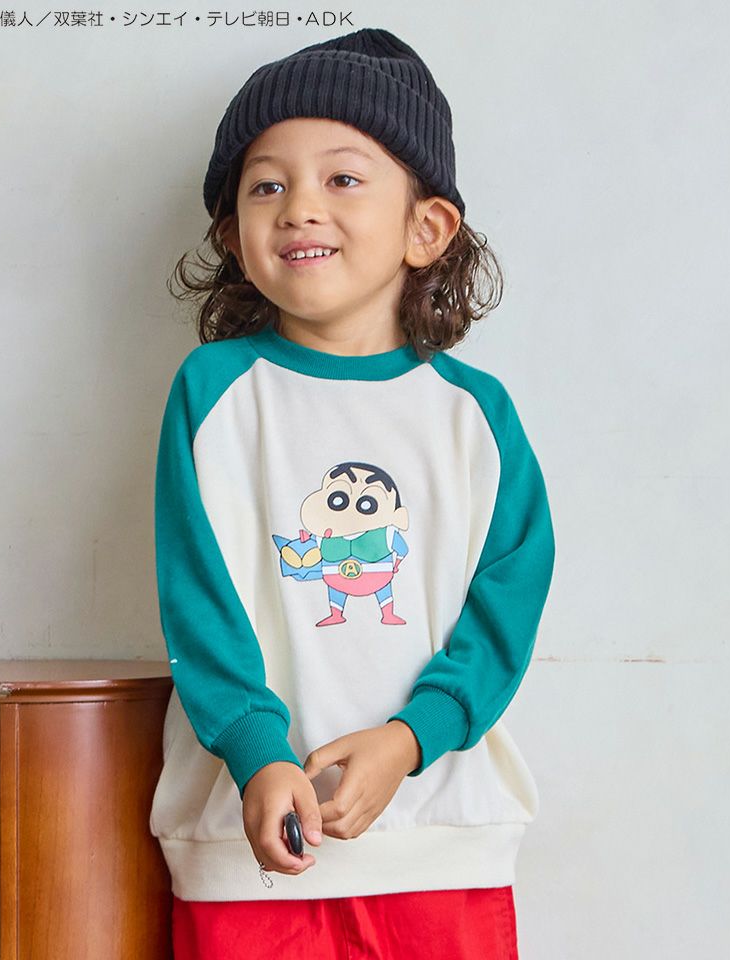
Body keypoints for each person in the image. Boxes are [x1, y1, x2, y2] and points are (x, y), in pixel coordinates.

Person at [149, 26, 556, 960]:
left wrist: (411, 738)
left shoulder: (475, 415)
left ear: (427, 228)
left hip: (440, 840)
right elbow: (198, 602)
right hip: (247, 846)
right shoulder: (215, 394)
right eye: (266, 185)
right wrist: (259, 754)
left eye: (342, 178)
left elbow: (506, 608)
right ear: (233, 235)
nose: (300, 208)